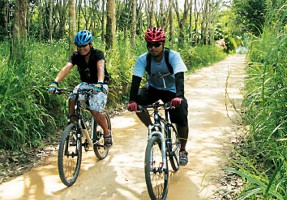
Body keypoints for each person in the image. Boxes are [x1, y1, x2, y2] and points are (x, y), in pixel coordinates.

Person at [127, 27, 189, 166]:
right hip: (153, 89)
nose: (153, 48)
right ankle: (152, 129)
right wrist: (132, 100)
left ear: (163, 44)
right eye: (150, 45)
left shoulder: (173, 56)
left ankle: (183, 150)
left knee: (181, 116)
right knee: (138, 103)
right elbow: (135, 81)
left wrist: (179, 96)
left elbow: (179, 77)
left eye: (157, 44)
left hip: (172, 91)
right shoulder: (143, 59)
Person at [48, 30, 112, 149]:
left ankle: (107, 133)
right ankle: (73, 127)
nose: (82, 48)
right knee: (72, 98)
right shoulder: (75, 56)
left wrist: (99, 83)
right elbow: (66, 67)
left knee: (94, 110)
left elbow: (101, 68)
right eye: (79, 46)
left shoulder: (98, 54)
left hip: (100, 84)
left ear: (90, 44)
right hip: (85, 84)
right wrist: (55, 82)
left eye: (84, 46)